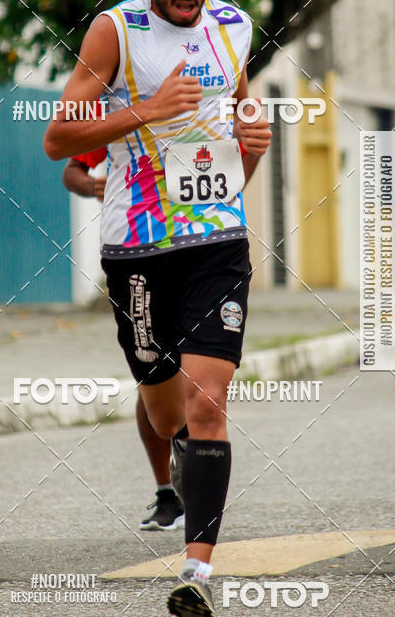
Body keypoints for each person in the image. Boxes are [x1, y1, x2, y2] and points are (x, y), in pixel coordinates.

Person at [44, 0, 271, 617]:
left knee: (209, 404)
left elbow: (230, 133)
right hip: (137, 251)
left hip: (217, 243)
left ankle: (197, 577)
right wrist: (144, 111)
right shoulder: (116, 33)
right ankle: (180, 463)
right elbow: (58, 138)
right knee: (165, 406)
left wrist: (252, 153)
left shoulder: (234, 28)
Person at [62, 140, 260, 533]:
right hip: (140, 255)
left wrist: (252, 149)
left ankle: (194, 483)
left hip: (206, 252)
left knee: (204, 385)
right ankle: (167, 487)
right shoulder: (124, 106)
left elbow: (237, 167)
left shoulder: (210, 102)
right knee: (155, 382)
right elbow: (71, 169)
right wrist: (94, 187)